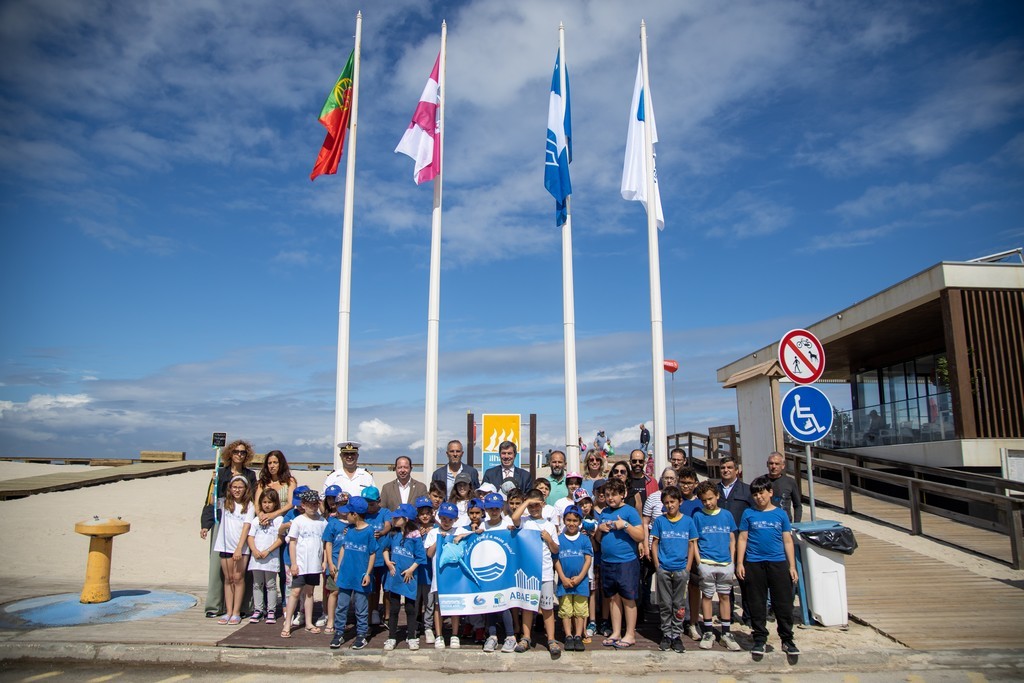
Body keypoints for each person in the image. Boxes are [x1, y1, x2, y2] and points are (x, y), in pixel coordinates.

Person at [737, 476, 800, 656]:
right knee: (756, 602)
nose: (759, 497)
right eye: (755, 494)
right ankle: (759, 639)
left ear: (770, 492)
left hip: (778, 562)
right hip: (754, 562)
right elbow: (742, 538)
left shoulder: (780, 514)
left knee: (784, 603)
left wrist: (792, 566)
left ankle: (787, 639)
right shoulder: (748, 513)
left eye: (762, 493)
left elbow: (787, 540)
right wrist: (740, 562)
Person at [200, 439, 257, 618]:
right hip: (222, 522)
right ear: (229, 454)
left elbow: (253, 499)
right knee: (218, 567)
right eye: (236, 452)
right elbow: (211, 498)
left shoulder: (250, 475)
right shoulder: (220, 473)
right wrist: (205, 524)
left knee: (241, 571)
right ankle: (215, 606)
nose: (239, 455)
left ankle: (242, 608)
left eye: (243, 452)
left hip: (243, 524)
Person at [510, 489, 561, 658]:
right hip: (527, 572)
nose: (534, 509)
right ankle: (526, 637)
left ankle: (551, 639)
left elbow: (555, 549)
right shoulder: (524, 521)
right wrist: (526, 502)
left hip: (545, 572)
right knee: (527, 607)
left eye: (537, 505)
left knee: (547, 607)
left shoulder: (549, 525)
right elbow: (514, 518)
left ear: (543, 504)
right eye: (531, 507)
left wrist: (549, 539)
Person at [595, 478, 644, 649]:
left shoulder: (630, 511)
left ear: (622, 494)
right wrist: (599, 530)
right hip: (607, 562)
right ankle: (616, 632)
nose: (610, 498)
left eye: (614, 494)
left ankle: (630, 634)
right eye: (607, 495)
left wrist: (625, 525)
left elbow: (640, 535)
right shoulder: (604, 513)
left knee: (628, 598)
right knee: (612, 598)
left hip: (626, 562)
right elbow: (599, 540)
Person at [692, 481, 741, 651]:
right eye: (704, 500)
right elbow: (694, 541)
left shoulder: (727, 515)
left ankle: (726, 632)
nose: (708, 503)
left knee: (725, 596)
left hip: (725, 563)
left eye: (711, 499)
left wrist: (732, 561)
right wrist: (699, 563)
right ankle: (707, 631)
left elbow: (732, 538)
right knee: (707, 596)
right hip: (706, 562)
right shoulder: (698, 516)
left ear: (717, 496)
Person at [650, 485, 697, 653]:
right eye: (667, 502)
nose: (670, 505)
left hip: (681, 569)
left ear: (680, 502)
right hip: (664, 568)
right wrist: (657, 565)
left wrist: (688, 566)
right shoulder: (660, 521)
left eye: (673, 502)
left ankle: (676, 634)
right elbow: (654, 544)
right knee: (665, 604)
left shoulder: (688, 521)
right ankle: (666, 633)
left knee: (679, 604)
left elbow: (692, 545)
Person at [329, 496, 378, 650]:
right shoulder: (348, 530)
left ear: (355, 514)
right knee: (341, 606)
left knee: (361, 608)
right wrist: (338, 569)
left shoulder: (369, 531)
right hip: (345, 575)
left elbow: (372, 553)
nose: (345, 515)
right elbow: (343, 548)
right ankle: (339, 633)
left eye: (348, 513)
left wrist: (368, 573)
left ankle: (362, 634)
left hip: (360, 576)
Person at [282, 489, 327, 638]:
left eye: (315, 504)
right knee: (295, 592)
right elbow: (292, 542)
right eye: (310, 504)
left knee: (310, 593)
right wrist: (294, 563)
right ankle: (288, 623)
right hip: (301, 564)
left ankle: (308, 622)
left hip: (314, 564)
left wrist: (324, 561)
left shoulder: (322, 522)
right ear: (303, 504)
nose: (313, 507)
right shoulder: (298, 521)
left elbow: (326, 543)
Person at [382, 504, 426, 651]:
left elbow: (420, 557)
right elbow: (385, 549)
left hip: (409, 576)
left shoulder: (415, 536)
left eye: (397, 517)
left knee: (410, 608)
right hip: (394, 575)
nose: (394, 519)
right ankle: (392, 637)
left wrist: (410, 570)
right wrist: (388, 562)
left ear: (406, 519)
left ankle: (412, 636)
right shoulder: (393, 533)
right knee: (394, 607)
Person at [213, 474, 255, 625]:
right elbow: (213, 497)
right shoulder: (224, 503)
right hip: (224, 545)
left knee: (238, 578)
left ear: (245, 489)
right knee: (228, 579)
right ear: (230, 488)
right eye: (234, 487)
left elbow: (246, 527)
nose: (237, 490)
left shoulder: (249, 505)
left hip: (240, 548)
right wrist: (215, 480)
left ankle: (236, 612)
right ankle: (228, 611)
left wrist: (239, 548)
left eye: (240, 487)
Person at [717, 455, 753, 626]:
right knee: (725, 581)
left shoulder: (747, 491)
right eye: (723, 467)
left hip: (741, 542)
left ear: (737, 470)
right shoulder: (714, 490)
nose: (726, 470)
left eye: (729, 467)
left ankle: (749, 615)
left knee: (745, 580)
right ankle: (727, 614)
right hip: (721, 542)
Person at [555, 505, 593, 652]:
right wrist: (563, 578)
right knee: (565, 610)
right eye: (568, 520)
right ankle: (568, 635)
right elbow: (556, 560)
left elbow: (588, 560)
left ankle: (578, 635)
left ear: (579, 522)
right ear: (564, 521)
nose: (571, 523)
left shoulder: (584, 540)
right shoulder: (559, 539)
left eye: (575, 520)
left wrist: (580, 577)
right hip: (564, 583)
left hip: (580, 583)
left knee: (580, 610)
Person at [425, 502, 462, 649]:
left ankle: (454, 635)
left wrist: (461, 536)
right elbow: (429, 553)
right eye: (444, 518)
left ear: (456, 519)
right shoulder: (433, 533)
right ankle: (439, 635)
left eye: (450, 519)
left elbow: (471, 536)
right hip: (439, 576)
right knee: (438, 606)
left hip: (455, 576)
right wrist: (438, 540)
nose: (447, 522)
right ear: (439, 518)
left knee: (455, 606)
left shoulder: (459, 530)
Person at [247, 488, 284, 624]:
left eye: (270, 502)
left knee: (271, 584)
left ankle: (271, 610)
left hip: (271, 557)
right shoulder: (256, 520)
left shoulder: (279, 519)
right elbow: (250, 537)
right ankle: (258, 609)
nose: (267, 505)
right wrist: (255, 550)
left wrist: (268, 550)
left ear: (275, 503)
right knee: (257, 584)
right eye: (264, 502)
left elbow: (280, 538)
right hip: (256, 557)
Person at [361, 486, 392, 628]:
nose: (369, 507)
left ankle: (387, 616)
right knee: (372, 589)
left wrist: (382, 532)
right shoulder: (363, 514)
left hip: (384, 558)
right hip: (369, 560)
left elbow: (388, 525)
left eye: (372, 504)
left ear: (379, 501)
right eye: (366, 503)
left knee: (387, 589)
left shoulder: (385, 512)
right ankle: (373, 612)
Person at [254, 450, 297, 526]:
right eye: (269, 463)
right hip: (264, 522)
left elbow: (291, 504)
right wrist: (261, 515)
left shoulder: (290, 481)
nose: (272, 466)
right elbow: (257, 504)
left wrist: (274, 514)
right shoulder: (262, 483)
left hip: (283, 521)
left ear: (281, 464)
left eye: (275, 462)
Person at [766, 451, 803, 522]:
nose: (773, 466)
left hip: (784, 523)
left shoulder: (790, 482)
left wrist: (796, 523)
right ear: (767, 464)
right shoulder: (761, 481)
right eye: (771, 463)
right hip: (766, 522)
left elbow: (797, 505)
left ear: (783, 466)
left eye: (777, 464)